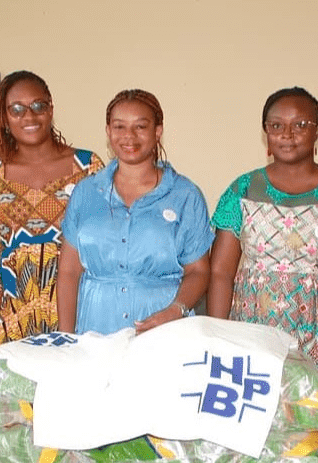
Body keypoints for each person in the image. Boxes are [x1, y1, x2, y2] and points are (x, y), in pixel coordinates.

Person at [207, 87, 318, 384]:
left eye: (300, 125)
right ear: (266, 134)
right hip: (253, 335)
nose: (288, 134)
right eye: (276, 126)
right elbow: (220, 272)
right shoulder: (242, 190)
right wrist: (219, 338)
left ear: (317, 132)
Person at [57, 89, 213, 335]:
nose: (129, 136)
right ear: (108, 131)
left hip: (164, 331)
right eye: (119, 127)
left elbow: (199, 271)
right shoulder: (85, 193)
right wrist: (65, 339)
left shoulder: (185, 195)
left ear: (157, 131)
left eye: (140, 127)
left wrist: (174, 311)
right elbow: (68, 271)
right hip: (96, 331)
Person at [0, 71, 103, 348]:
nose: (29, 117)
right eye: (16, 109)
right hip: (10, 324)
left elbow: (105, 246)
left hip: (78, 317)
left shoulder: (88, 168)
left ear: (51, 109)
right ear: (4, 118)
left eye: (38, 106)